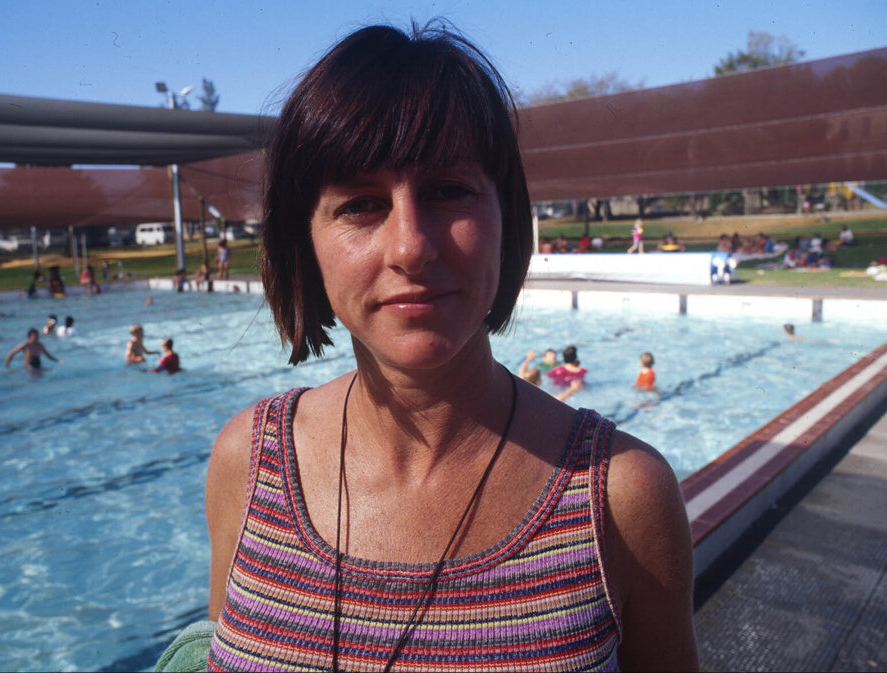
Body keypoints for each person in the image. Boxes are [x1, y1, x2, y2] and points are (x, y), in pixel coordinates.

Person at [199, 24, 696, 673]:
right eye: (361, 204)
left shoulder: (622, 498)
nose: (411, 247)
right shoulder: (248, 461)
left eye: (448, 191)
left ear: (506, 216)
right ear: (306, 242)